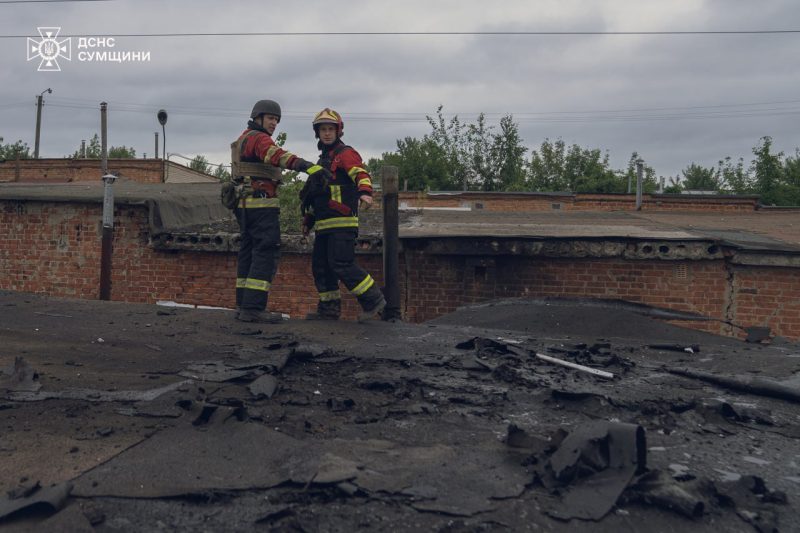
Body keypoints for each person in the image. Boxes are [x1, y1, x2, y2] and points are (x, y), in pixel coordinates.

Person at [231, 99, 332, 323]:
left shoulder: (243, 137)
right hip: (261, 205)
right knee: (266, 250)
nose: (274, 123)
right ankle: (254, 308)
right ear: (258, 118)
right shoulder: (258, 139)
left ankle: (242, 305)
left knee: (248, 251)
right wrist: (309, 167)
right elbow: (277, 156)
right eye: (270, 118)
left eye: (276, 120)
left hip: (245, 206)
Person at [301, 108, 386, 322]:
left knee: (341, 263)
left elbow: (361, 173)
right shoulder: (322, 162)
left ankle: (373, 300)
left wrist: (366, 193)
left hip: (343, 223)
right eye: (323, 129)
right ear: (317, 133)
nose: (327, 133)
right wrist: (308, 221)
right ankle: (329, 310)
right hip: (324, 225)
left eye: (330, 129)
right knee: (320, 267)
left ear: (338, 131)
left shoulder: (345, 153)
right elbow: (315, 195)